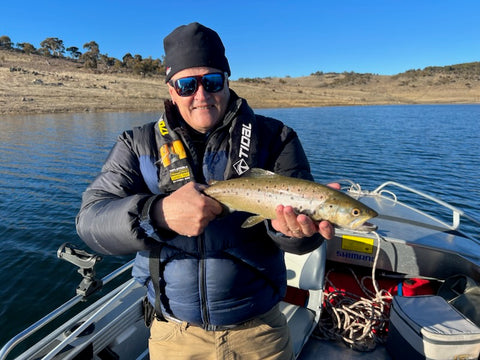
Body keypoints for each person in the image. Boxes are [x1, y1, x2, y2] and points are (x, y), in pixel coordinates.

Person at [76, 22, 335, 360]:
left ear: (226, 83)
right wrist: (158, 213)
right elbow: (90, 222)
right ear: (171, 90)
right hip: (173, 336)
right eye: (187, 84)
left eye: (212, 81)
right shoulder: (135, 144)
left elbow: (303, 239)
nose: (201, 95)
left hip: (259, 334)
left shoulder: (275, 138)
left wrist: (296, 234)